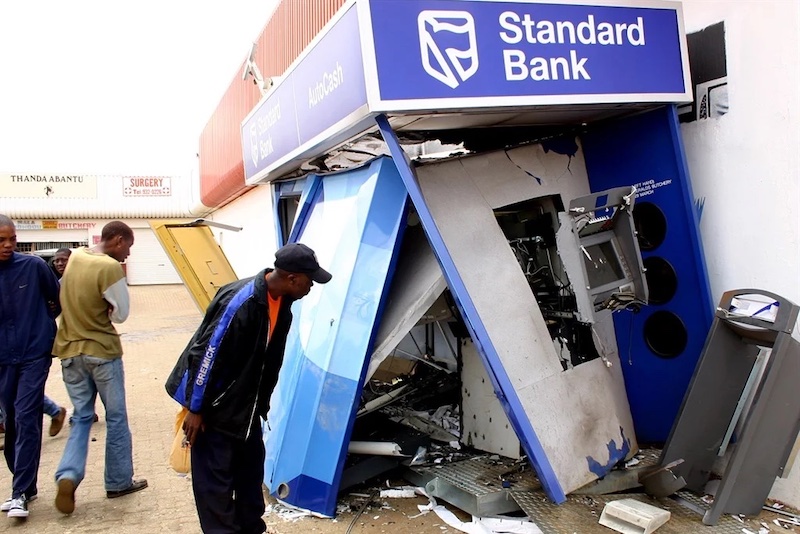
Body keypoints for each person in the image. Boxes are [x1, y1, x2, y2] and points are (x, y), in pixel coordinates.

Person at [166, 242, 332, 534]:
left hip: (246, 409)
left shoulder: (282, 305)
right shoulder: (241, 302)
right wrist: (195, 408)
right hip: (214, 411)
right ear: (292, 278)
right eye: (309, 281)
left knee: (249, 475)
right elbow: (206, 356)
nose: (311, 287)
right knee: (215, 487)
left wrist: (260, 405)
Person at [52, 221, 147, 515]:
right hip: (102, 353)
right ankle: (118, 481)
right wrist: (107, 307)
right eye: (128, 247)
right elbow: (122, 314)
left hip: (69, 351)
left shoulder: (76, 258)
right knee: (116, 418)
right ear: (117, 240)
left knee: (81, 417)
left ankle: (68, 475)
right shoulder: (108, 268)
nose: (127, 255)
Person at [0, 215, 62, 518]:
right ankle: (26, 484)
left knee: (26, 416)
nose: (9, 245)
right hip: (2, 360)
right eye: (2, 240)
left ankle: (19, 492)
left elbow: (56, 301)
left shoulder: (34, 267)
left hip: (34, 355)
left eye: (12, 238)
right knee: (11, 419)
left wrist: (42, 327)